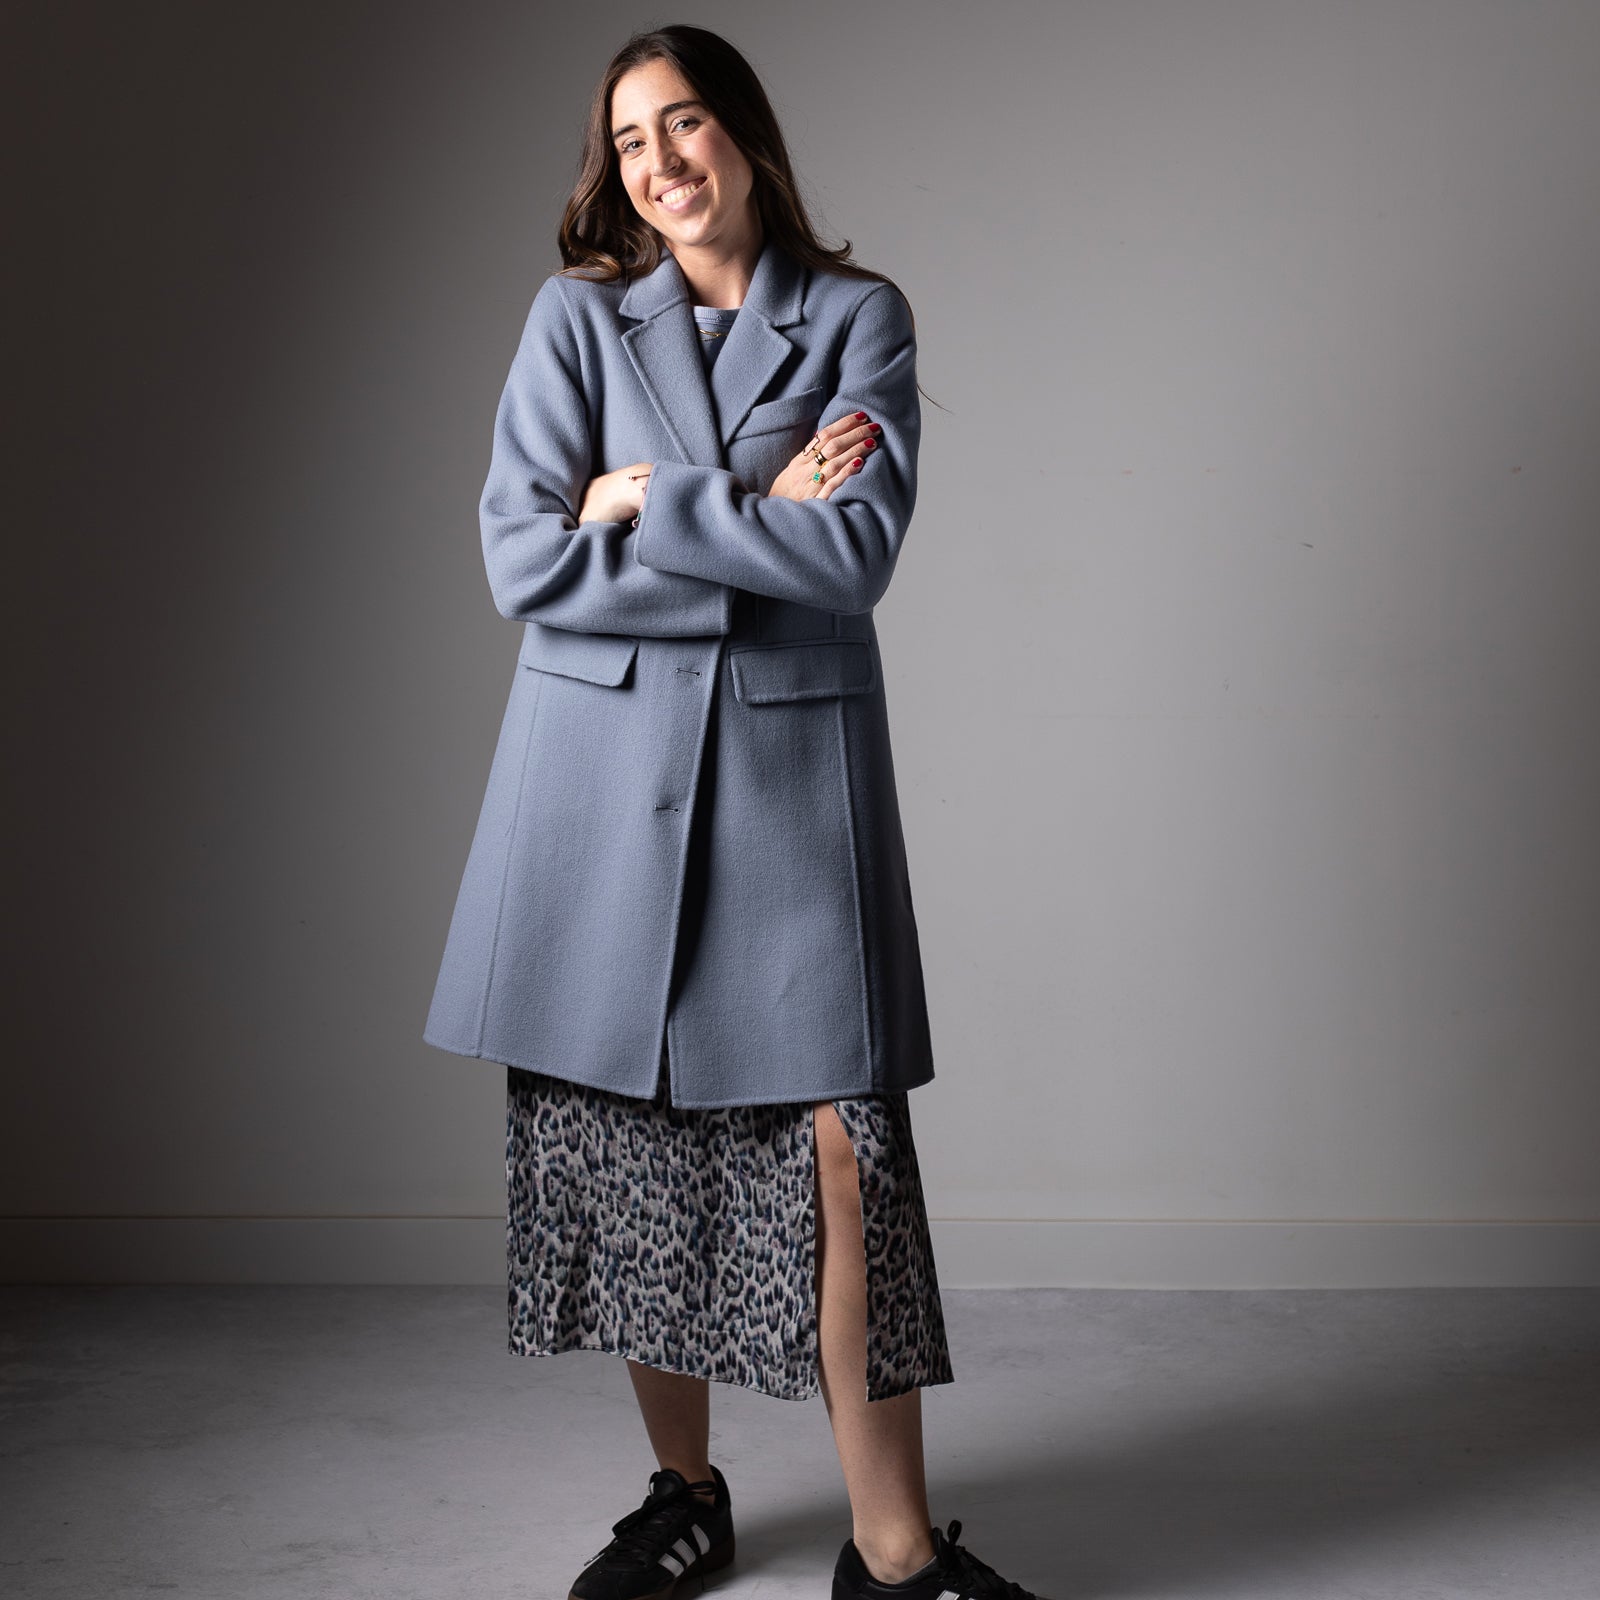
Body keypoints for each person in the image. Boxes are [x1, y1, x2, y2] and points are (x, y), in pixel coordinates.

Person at [424, 23, 1046, 1600]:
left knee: (845, 1160)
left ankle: (892, 1556)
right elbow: (520, 560)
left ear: (746, 134)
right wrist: (756, 514)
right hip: (598, 791)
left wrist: (641, 502)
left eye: (685, 123)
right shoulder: (577, 322)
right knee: (632, 1152)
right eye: (631, 141)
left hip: (784, 802)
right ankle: (683, 1497)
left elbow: (853, 559)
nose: (660, 162)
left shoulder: (856, 318)